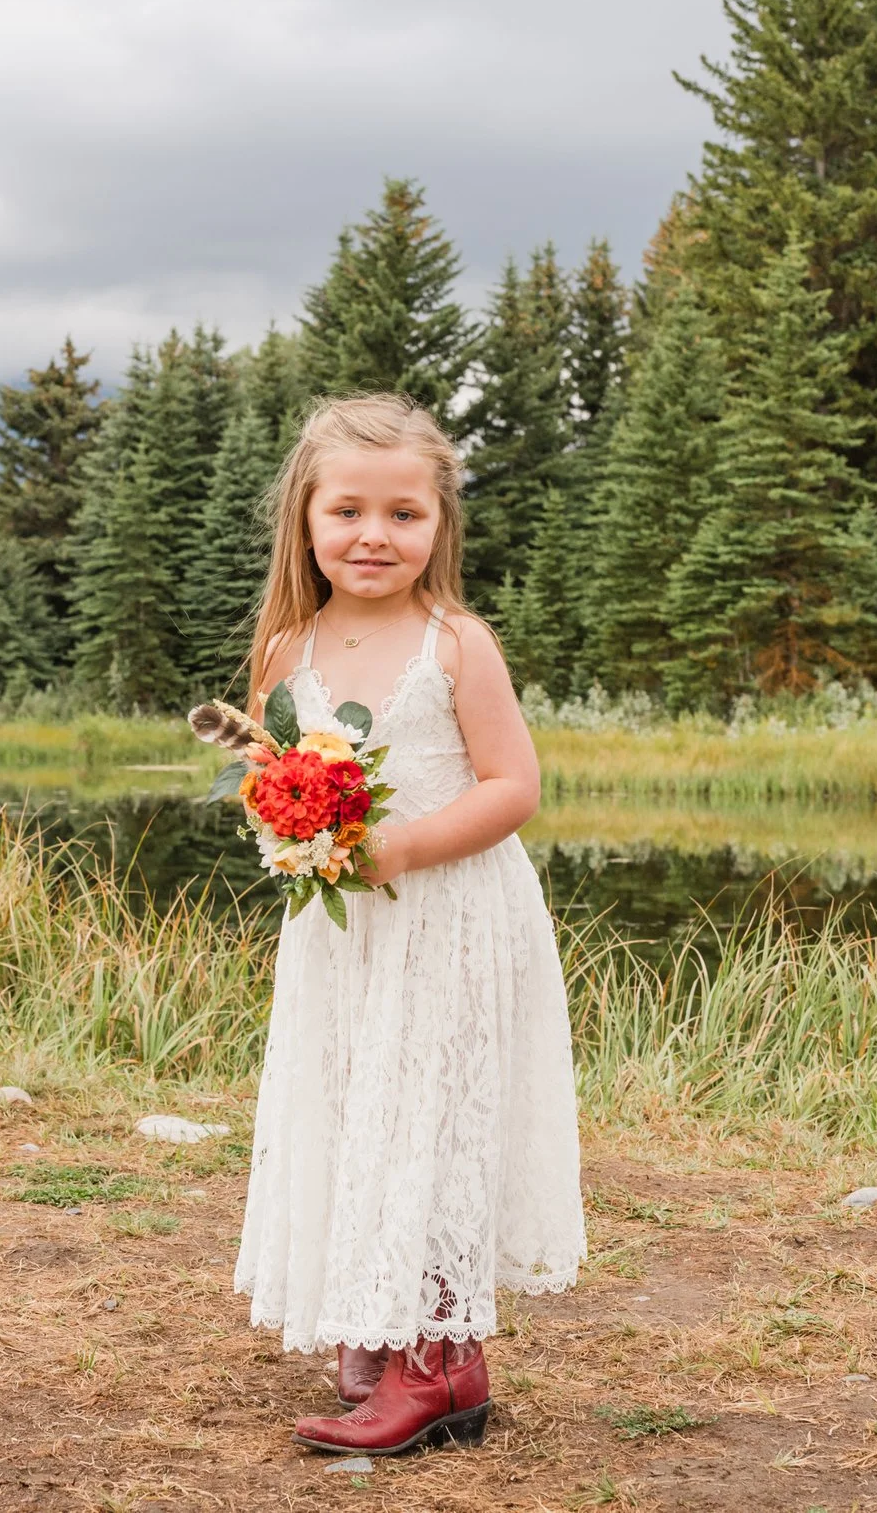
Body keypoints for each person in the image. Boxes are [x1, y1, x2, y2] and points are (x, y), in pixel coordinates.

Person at [232, 392, 585, 1456]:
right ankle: (375, 1316)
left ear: (439, 524)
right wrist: (296, 825)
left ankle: (442, 1362)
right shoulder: (288, 647)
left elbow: (513, 785)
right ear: (305, 518)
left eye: (403, 513)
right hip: (344, 930)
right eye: (347, 510)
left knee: (431, 1115)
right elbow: (267, 774)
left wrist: (397, 846)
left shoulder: (455, 643)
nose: (373, 534)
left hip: (451, 914)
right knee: (354, 1106)